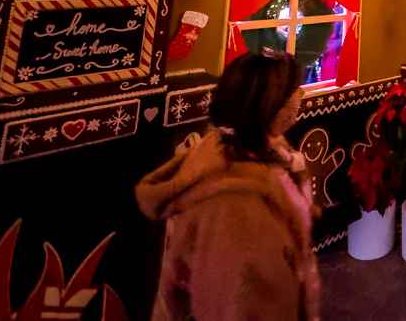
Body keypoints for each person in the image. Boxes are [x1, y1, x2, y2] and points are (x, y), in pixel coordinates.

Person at [137, 52, 320, 321]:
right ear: (268, 104)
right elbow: (240, 300)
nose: (300, 96)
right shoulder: (238, 202)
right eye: (293, 90)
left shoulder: (263, 150)